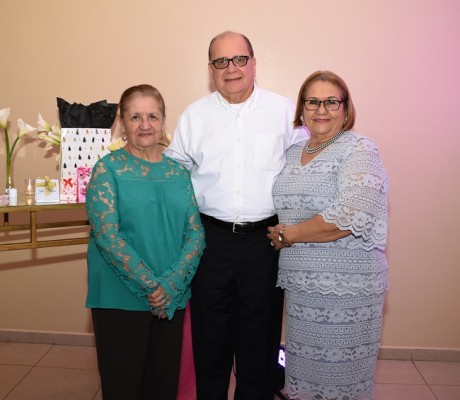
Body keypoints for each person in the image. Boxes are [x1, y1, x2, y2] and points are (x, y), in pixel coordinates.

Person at [166, 31, 307, 399]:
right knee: (210, 342)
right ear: (210, 68)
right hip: (210, 242)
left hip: (266, 243)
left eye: (239, 59)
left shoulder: (283, 112)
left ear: (254, 63)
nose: (231, 69)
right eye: (221, 61)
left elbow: (307, 167)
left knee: (259, 345)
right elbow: (174, 175)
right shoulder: (195, 116)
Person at [267, 70, 389, 400]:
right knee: (306, 379)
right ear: (302, 109)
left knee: (342, 382)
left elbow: (349, 216)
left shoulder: (359, 149)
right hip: (302, 290)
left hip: (348, 290)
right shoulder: (293, 152)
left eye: (331, 101)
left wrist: (287, 234)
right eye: (313, 101)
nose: (322, 109)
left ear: (346, 110)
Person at [85, 84, 205, 400]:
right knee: (123, 386)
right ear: (122, 123)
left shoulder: (179, 172)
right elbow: (108, 237)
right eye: (135, 116)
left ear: (163, 120)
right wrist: (152, 287)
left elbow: (195, 233)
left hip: (172, 298)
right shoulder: (107, 170)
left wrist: (171, 285)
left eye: (152, 116)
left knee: (163, 387)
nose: (145, 124)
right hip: (120, 297)